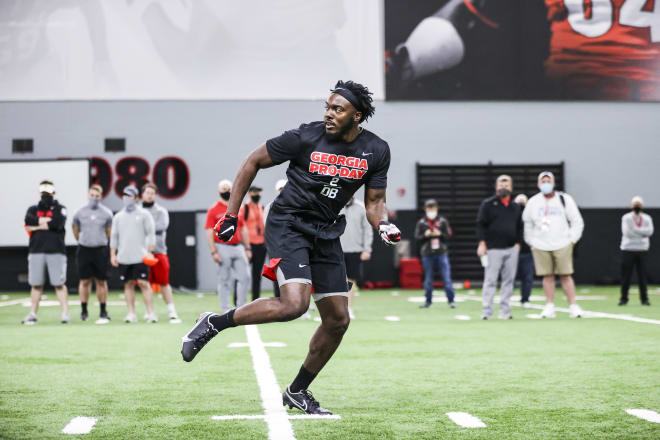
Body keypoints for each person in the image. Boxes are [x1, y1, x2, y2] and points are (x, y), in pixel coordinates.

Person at [182, 80, 401, 415]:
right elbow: (252, 161)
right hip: (289, 223)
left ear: (356, 115)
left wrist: (382, 224)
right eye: (327, 107)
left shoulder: (377, 150)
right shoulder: (305, 137)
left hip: (326, 231)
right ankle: (215, 322)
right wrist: (231, 214)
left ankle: (297, 391)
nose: (328, 113)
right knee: (294, 305)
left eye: (337, 109)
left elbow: (374, 203)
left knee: (338, 319)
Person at [523, 171, 585, 318]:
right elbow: (527, 224)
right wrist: (531, 242)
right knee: (547, 276)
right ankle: (549, 306)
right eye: (543, 182)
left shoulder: (564, 199)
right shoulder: (533, 202)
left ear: (553, 183)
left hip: (562, 243)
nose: (546, 184)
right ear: (538, 184)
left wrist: (572, 240)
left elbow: (577, 221)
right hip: (541, 245)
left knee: (566, 275)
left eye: (548, 181)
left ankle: (573, 306)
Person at [22, 180, 69, 325]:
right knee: (36, 284)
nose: (45, 196)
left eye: (47, 193)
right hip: (36, 250)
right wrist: (46, 222)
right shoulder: (33, 208)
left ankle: (65, 313)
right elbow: (28, 220)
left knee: (59, 283)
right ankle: (32, 313)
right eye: (43, 193)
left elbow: (57, 223)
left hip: (56, 250)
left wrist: (36, 225)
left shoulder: (60, 208)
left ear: (53, 193)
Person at [110, 185, 157, 323]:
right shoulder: (118, 216)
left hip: (141, 256)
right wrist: (113, 254)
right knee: (128, 284)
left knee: (144, 284)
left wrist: (150, 252)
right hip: (124, 257)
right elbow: (114, 237)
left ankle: (150, 313)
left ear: (136, 198)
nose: (126, 198)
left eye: (130, 196)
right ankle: (131, 314)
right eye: (124, 195)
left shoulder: (144, 214)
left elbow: (151, 234)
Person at [476, 175, 522, 320]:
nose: (504, 187)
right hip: (493, 248)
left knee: (509, 281)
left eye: (507, 185)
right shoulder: (488, 204)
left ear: (511, 188)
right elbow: (480, 224)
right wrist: (482, 243)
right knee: (490, 280)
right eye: (501, 185)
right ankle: (487, 311)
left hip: (511, 248)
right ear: (496, 187)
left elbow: (520, 226)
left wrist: (518, 244)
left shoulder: (515, 206)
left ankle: (505, 312)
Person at [205, 179, 252, 312]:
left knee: (245, 277)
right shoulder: (213, 209)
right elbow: (209, 231)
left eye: (228, 188)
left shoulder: (238, 207)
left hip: (238, 247)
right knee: (224, 279)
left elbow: (243, 228)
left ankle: (241, 308)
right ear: (219, 191)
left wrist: (247, 248)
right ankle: (225, 309)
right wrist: (214, 251)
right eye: (224, 189)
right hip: (222, 247)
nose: (226, 191)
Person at [72, 184, 113, 323]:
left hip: (100, 250)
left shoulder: (107, 213)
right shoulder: (79, 212)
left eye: (97, 196)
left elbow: (109, 232)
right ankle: (84, 311)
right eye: (92, 195)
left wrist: (98, 240)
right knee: (84, 281)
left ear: (100, 197)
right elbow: (75, 229)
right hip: (84, 249)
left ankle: (103, 311)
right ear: (88, 195)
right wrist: (83, 240)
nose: (94, 198)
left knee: (101, 281)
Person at [141, 183, 181, 323]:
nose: (149, 195)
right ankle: (149, 312)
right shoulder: (137, 211)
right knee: (145, 284)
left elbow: (160, 227)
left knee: (164, 283)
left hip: (158, 252)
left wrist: (142, 228)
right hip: (142, 253)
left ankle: (172, 311)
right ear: (142, 194)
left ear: (155, 195)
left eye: (152, 193)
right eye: (147, 193)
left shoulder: (161, 211)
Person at [415, 199, 455, 309]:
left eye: (433, 208)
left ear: (436, 208)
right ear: (425, 209)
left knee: (446, 278)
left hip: (441, 252)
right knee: (428, 279)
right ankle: (428, 301)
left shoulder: (442, 221)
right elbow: (417, 237)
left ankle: (451, 301)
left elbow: (448, 235)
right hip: (427, 253)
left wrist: (440, 234)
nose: (431, 210)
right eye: (429, 208)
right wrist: (425, 235)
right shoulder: (422, 222)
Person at [339, 196, 373, 319]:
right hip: (336, 250)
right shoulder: (335, 205)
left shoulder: (361, 207)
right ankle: (336, 309)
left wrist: (367, 249)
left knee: (351, 281)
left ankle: (348, 308)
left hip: (355, 250)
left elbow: (367, 230)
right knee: (336, 281)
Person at [620, 196, 654, 306]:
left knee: (642, 276)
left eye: (639, 204)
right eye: (635, 204)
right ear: (631, 205)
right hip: (628, 249)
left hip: (642, 250)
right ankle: (623, 299)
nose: (637, 206)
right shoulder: (626, 218)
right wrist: (642, 233)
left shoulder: (647, 218)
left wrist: (635, 230)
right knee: (626, 276)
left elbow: (649, 232)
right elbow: (627, 233)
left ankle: (644, 299)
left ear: (642, 206)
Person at [240, 185, 267, 301]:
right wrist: (245, 247)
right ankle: (239, 300)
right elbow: (240, 227)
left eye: (259, 193)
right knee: (242, 275)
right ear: (249, 193)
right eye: (255, 193)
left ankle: (255, 300)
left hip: (261, 244)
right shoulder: (244, 208)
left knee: (257, 275)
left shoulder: (262, 208)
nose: (257, 195)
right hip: (249, 245)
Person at [265, 179, 287, 298]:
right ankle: (279, 300)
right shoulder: (270, 207)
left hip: (294, 246)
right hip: (277, 247)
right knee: (277, 276)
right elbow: (267, 229)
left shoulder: (299, 205)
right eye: (281, 189)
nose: (283, 191)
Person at [514, 194, 534, 309]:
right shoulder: (511, 215)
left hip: (527, 251)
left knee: (527, 277)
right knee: (509, 278)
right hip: (513, 251)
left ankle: (525, 299)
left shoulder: (530, 217)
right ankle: (506, 299)